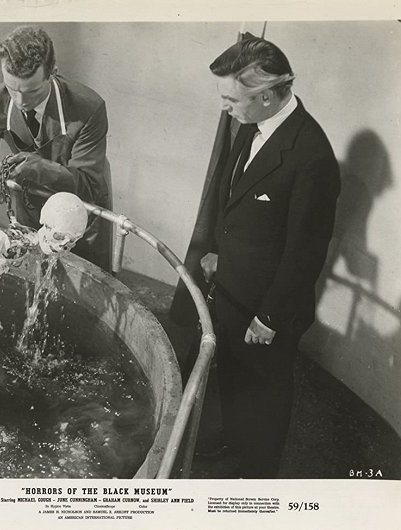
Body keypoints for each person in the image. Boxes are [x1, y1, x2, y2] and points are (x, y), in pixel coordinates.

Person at [170, 34, 341, 478]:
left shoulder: (311, 155)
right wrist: (217, 257)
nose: (225, 106)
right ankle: (232, 439)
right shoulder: (251, 124)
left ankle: (258, 473)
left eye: (231, 98)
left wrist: (269, 317)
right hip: (232, 290)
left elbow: (306, 251)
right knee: (232, 378)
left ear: (266, 96)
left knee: (264, 394)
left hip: (268, 309)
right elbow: (238, 202)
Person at [0, 25, 112, 280]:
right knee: (31, 282)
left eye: (32, 91)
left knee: (86, 292)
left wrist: (41, 168)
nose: (21, 101)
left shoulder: (88, 107)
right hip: (30, 202)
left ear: (52, 74)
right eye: (12, 89)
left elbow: (89, 185)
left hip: (82, 209)